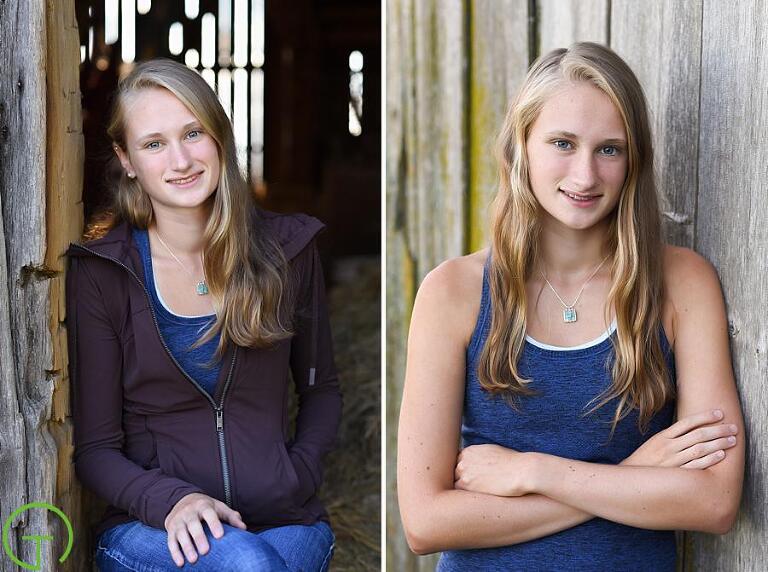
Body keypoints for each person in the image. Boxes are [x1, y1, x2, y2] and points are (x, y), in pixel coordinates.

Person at [397, 42, 744, 570]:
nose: (585, 176)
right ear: (521, 147)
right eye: (562, 142)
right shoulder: (454, 293)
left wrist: (534, 472)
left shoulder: (681, 283)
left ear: (634, 160)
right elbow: (425, 522)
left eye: (610, 149)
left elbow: (715, 501)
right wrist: (635, 473)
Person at [66, 59, 341, 571]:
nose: (181, 159)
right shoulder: (105, 273)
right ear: (127, 160)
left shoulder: (288, 251)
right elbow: (96, 449)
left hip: (282, 515)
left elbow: (321, 388)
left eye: (193, 133)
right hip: (153, 528)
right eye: (153, 144)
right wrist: (170, 501)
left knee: (259, 562)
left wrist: (296, 473)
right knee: (251, 566)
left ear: (219, 137)